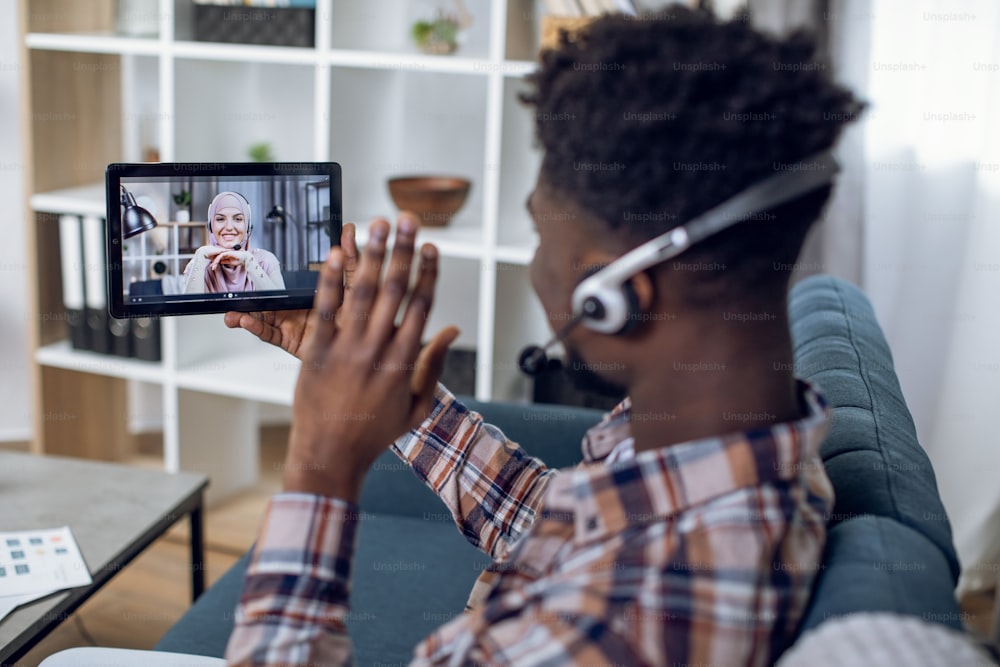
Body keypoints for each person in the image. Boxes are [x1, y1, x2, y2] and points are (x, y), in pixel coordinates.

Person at [223, 8, 864, 666]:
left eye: (540, 236)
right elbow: (551, 525)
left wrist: (318, 465)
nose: (536, 266)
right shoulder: (725, 443)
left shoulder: (628, 620)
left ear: (612, 298)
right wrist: (402, 396)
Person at [182, 191, 285, 294]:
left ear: (248, 227)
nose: (229, 227)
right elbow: (187, 309)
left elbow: (281, 307)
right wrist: (200, 256)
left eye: (238, 219)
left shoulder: (266, 261)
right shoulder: (198, 263)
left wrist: (250, 262)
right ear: (211, 226)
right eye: (220, 219)